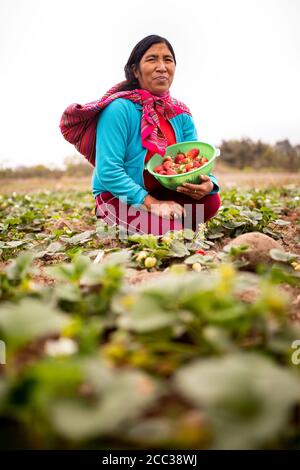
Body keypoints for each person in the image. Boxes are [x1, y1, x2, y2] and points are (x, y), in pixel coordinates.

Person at [60, 34, 221, 236]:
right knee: (173, 235)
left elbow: (196, 161)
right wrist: (152, 203)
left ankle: (163, 223)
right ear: (135, 70)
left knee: (210, 201)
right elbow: (109, 171)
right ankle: (131, 221)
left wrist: (208, 183)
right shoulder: (119, 109)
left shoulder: (181, 113)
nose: (161, 67)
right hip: (118, 197)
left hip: (163, 193)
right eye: (152, 59)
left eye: (168, 60)